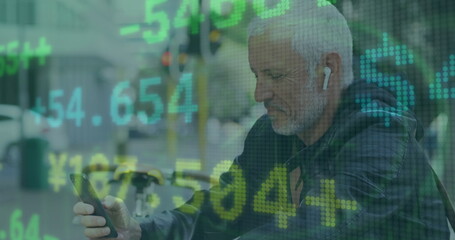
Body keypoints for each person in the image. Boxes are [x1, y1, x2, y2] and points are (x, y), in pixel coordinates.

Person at [73, 1, 451, 239]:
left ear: (328, 69)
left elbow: (309, 229)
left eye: (276, 75)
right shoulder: (274, 134)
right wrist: (141, 231)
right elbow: (220, 210)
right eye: (257, 75)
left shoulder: (381, 143)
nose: (259, 93)